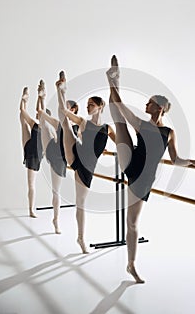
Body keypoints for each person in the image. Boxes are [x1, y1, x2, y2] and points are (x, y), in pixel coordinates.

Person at [106, 55, 195, 283]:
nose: (145, 105)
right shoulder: (141, 124)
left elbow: (176, 159)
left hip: (144, 178)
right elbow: (120, 106)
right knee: (119, 119)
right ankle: (113, 78)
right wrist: (113, 84)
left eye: (149, 103)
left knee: (132, 223)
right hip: (131, 162)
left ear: (159, 107)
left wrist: (192, 161)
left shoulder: (169, 132)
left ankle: (131, 264)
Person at [56, 71, 116, 253]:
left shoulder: (107, 128)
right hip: (75, 154)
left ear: (100, 106)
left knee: (80, 202)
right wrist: (60, 91)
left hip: (88, 166)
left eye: (91, 105)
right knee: (65, 124)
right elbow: (64, 112)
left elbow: (121, 144)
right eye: (87, 105)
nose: (88, 107)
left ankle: (80, 238)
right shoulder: (83, 122)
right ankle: (61, 88)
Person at [36, 80, 79, 234]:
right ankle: (43, 95)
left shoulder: (77, 126)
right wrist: (41, 98)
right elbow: (40, 113)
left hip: (60, 158)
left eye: (67, 106)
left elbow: (82, 140)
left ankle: (56, 220)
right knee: (44, 119)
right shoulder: (60, 123)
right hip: (51, 148)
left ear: (73, 109)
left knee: (56, 191)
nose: (63, 108)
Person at [20, 86, 43, 218]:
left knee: (23, 121)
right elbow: (25, 111)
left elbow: (23, 111)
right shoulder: (39, 125)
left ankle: (31, 209)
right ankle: (31, 210)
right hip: (32, 153)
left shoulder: (43, 127)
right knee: (31, 185)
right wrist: (39, 97)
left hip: (33, 153)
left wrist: (25, 100)